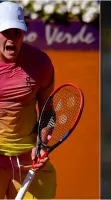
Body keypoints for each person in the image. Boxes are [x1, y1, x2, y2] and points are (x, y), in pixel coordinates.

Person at [0, 1, 56, 199]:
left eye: (17, 32)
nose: (12, 38)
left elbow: (48, 111)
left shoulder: (41, 63)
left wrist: (43, 144)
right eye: (6, 32)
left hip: (28, 159)